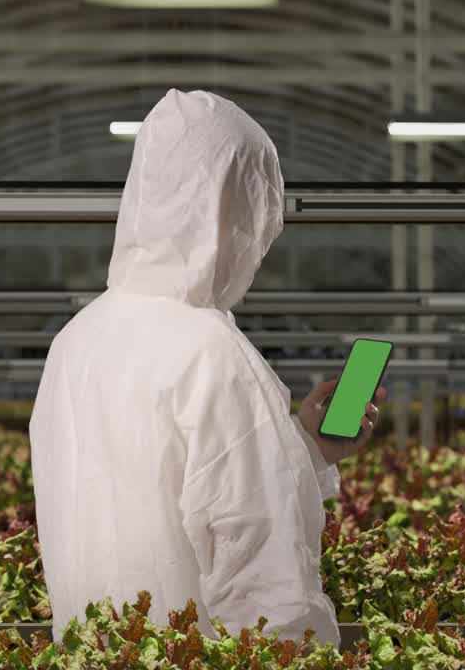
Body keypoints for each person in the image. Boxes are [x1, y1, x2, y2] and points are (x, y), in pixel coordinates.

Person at [28, 89, 383, 647]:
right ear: (233, 211)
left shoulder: (76, 342)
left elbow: (155, 491)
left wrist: (305, 447)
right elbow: (264, 587)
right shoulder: (210, 352)